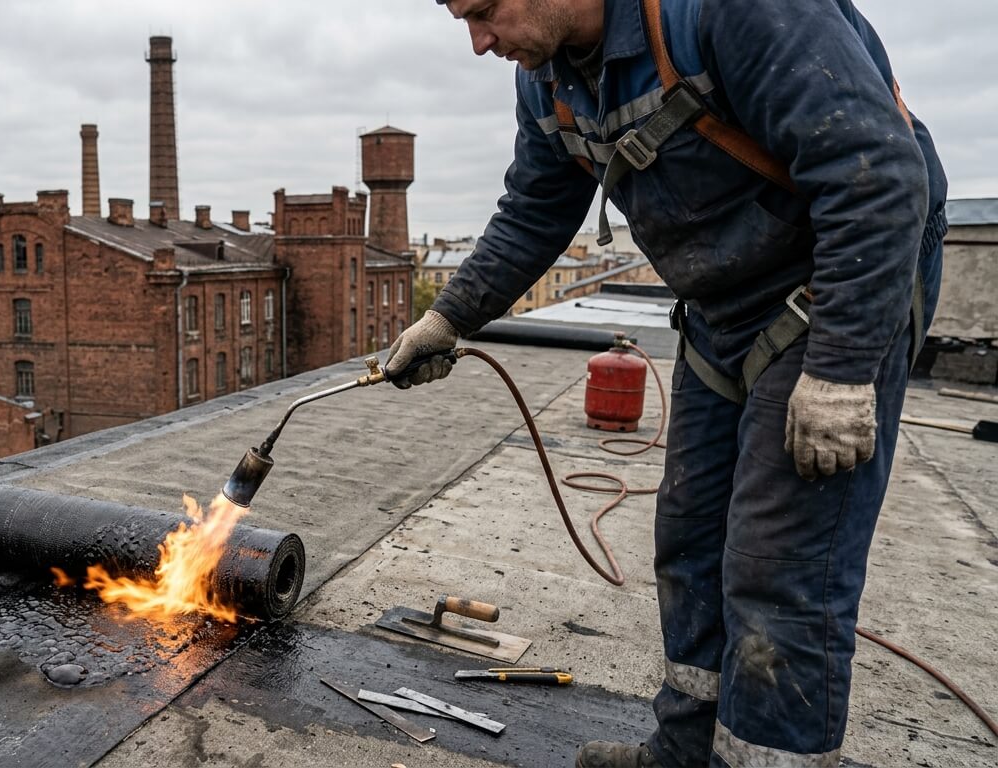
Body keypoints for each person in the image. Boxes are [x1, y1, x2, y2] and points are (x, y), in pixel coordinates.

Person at [387, 0, 948, 765]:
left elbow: (876, 176)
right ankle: (684, 752)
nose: (480, 42)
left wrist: (843, 370)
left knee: (778, 568)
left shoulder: (731, 10)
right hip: (723, 303)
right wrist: (449, 317)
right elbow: (536, 209)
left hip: (839, 283)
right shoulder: (547, 78)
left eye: (484, 11)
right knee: (689, 540)